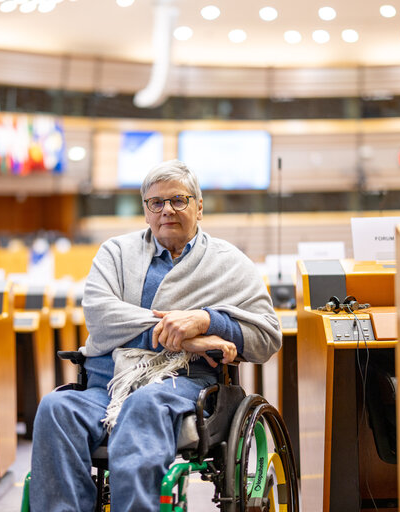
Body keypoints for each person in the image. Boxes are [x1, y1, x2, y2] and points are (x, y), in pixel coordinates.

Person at [29, 160, 281, 511]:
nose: (167, 210)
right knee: (56, 407)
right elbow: (100, 315)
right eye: (156, 203)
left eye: (179, 200)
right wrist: (184, 338)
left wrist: (208, 322)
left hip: (182, 386)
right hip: (106, 385)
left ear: (199, 206)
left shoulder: (230, 263)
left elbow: (266, 336)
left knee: (143, 405)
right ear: (145, 210)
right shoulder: (115, 252)